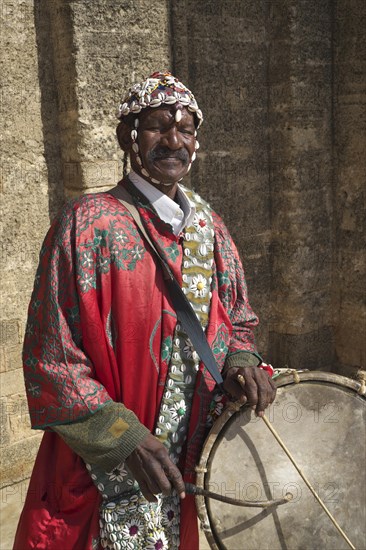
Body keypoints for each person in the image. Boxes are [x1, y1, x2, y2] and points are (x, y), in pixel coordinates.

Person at [14, 71, 276, 550]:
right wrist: (124, 438)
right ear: (127, 136)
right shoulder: (86, 225)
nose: (174, 140)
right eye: (158, 126)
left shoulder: (209, 227)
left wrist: (241, 361)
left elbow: (237, 317)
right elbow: (51, 356)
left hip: (188, 455)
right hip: (107, 463)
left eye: (186, 129)